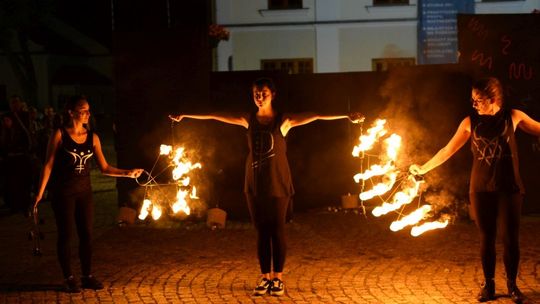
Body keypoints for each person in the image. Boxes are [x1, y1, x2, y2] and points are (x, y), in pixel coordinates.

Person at [169, 77, 364, 296]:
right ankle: (264, 278)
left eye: (264, 93)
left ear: (272, 95)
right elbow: (215, 115)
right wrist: (185, 115)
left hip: (278, 182)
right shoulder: (248, 119)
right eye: (256, 94)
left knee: (277, 230)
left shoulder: (284, 121)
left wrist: (347, 115)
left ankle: (278, 279)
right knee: (262, 232)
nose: (259, 97)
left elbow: (316, 115)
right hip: (254, 184)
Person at [409, 77, 540, 303]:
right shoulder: (470, 122)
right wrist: (423, 168)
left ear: (493, 99)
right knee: (486, 238)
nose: (474, 104)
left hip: (510, 188)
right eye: (473, 100)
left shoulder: (513, 116)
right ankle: (488, 286)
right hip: (480, 188)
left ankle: (512, 286)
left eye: (478, 100)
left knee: (511, 239)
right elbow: (447, 150)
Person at [34, 95, 144, 293]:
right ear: (71, 112)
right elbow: (48, 164)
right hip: (63, 193)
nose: (87, 114)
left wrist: (127, 173)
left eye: (88, 110)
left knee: (86, 234)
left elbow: (104, 167)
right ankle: (68, 277)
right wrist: (40, 193)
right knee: (66, 235)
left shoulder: (93, 137)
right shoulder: (59, 135)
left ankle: (87, 275)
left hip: (84, 192)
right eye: (83, 110)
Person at [0, 95, 36, 215]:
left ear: (20, 103)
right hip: (10, 156)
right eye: (12, 103)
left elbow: (28, 133)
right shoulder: (6, 116)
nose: (14, 105)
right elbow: (4, 137)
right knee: (12, 183)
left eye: (16, 102)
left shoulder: (25, 116)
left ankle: (24, 204)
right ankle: (14, 205)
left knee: (25, 181)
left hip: (23, 155)